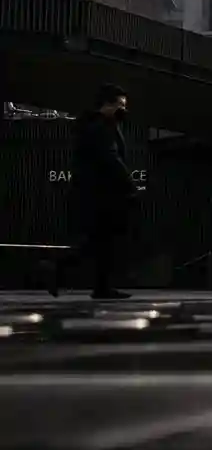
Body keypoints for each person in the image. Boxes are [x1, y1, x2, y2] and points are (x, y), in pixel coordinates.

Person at [48, 84, 138, 300]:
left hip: (95, 193)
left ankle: (101, 287)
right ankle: (55, 267)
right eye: (120, 105)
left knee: (101, 243)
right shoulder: (101, 127)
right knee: (99, 242)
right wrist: (129, 184)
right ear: (106, 105)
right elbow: (111, 158)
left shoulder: (97, 125)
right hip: (100, 195)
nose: (124, 110)